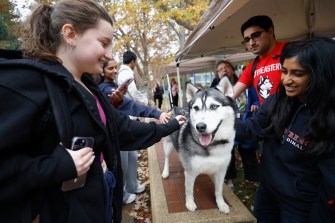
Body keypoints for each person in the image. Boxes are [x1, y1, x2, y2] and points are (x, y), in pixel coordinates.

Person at [0, 1, 186, 223]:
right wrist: (58, 166)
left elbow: (121, 129)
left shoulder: (90, 86)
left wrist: (170, 126)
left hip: (100, 198)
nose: (109, 55)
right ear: (70, 34)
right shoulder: (28, 84)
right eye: (103, 43)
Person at [235, 37, 335, 222]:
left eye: (297, 74)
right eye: (284, 71)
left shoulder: (328, 119)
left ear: (320, 75)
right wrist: (217, 124)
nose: (286, 80)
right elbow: (253, 129)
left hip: (299, 206)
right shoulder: (279, 99)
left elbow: (330, 185)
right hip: (268, 191)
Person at [98, 58, 170, 204]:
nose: (115, 71)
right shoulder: (106, 89)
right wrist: (157, 113)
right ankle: (122, 196)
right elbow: (131, 106)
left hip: (122, 128)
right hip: (115, 133)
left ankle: (132, 186)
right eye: (110, 68)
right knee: (122, 164)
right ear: (102, 71)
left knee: (132, 157)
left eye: (115, 67)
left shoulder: (114, 86)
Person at [210, 60, 260, 189]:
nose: (224, 70)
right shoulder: (214, 91)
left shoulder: (247, 84)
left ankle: (254, 179)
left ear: (233, 70)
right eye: (220, 69)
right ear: (217, 75)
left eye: (226, 67)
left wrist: (256, 104)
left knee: (248, 151)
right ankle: (230, 181)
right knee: (227, 154)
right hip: (226, 128)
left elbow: (256, 99)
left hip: (245, 123)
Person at [117, 50, 154, 205]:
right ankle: (124, 192)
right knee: (125, 158)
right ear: (132, 61)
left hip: (127, 118)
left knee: (132, 156)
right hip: (125, 120)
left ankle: (131, 185)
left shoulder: (121, 73)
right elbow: (133, 94)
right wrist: (146, 102)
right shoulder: (126, 74)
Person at [233, 15, 286, 104]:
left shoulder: (291, 51)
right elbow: (231, 94)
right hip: (267, 116)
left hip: (296, 115)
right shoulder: (252, 66)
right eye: (247, 40)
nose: (251, 43)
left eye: (256, 35)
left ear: (270, 32)